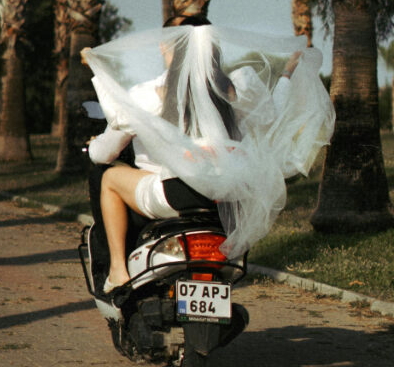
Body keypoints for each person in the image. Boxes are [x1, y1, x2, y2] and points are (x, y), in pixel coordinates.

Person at [84, 18, 313, 292]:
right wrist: (285, 76)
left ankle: (118, 272)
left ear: (168, 47)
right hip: (229, 198)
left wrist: (94, 146)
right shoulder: (233, 90)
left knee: (108, 177)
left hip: (176, 194)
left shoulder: (151, 94)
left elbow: (104, 152)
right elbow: (270, 114)